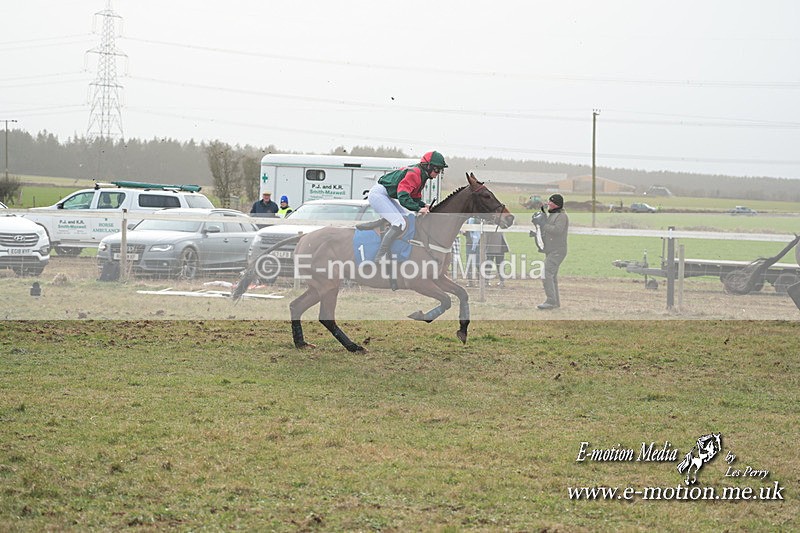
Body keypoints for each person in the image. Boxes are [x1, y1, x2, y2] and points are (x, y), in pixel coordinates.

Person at [366, 150, 447, 261]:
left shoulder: (422, 175)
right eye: (437, 169)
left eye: (441, 170)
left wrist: (424, 205)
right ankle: (380, 256)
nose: (438, 173)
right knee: (399, 223)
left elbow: (414, 198)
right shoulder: (415, 174)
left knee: (406, 218)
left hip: (385, 194)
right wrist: (419, 209)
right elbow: (403, 198)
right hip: (378, 194)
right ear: (428, 166)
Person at [532, 193, 569, 309]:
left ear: (556, 204)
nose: (548, 203)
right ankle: (555, 302)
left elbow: (557, 230)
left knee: (546, 274)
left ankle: (550, 301)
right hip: (551, 250)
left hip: (557, 250)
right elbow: (548, 230)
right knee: (552, 277)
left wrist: (543, 225)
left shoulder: (561, 216)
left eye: (551, 202)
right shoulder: (553, 215)